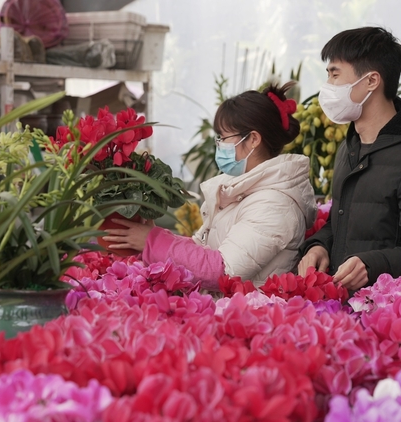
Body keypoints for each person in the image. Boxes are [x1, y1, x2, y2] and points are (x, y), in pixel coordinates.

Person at [103, 82, 317, 288]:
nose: (219, 145)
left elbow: (222, 271)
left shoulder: (274, 204)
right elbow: (202, 250)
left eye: (224, 137)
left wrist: (151, 241)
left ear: (253, 139)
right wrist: (153, 238)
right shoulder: (241, 189)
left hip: (248, 317)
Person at [298, 26, 401, 291]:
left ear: (371, 81)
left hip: (387, 313)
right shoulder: (350, 147)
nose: (328, 87)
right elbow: (344, 224)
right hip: (340, 307)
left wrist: (371, 266)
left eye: (335, 75)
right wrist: (319, 246)